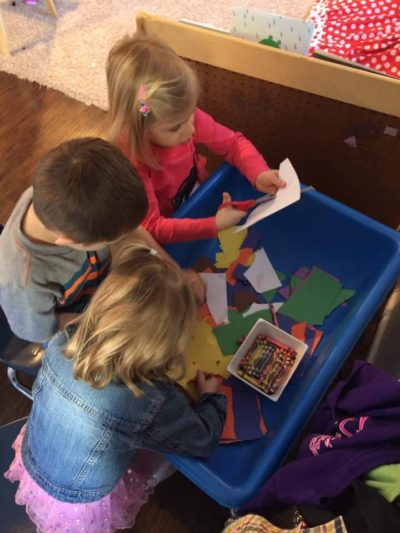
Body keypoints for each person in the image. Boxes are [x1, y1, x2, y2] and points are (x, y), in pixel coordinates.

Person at [5, 243, 226, 532]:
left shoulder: (64, 341)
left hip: (35, 457)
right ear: (168, 344)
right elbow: (201, 441)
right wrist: (211, 397)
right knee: (164, 460)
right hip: (79, 499)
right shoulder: (148, 399)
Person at [107, 33, 286, 245]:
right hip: (172, 224)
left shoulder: (184, 119)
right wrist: (214, 225)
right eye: (175, 128)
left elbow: (233, 143)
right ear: (141, 128)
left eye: (191, 112)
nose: (191, 129)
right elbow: (153, 227)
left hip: (196, 196)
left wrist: (259, 173)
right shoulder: (133, 161)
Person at [0, 137, 149, 343]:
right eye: (113, 240)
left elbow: (124, 225)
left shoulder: (55, 196)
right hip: (74, 325)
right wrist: (108, 319)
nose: (121, 240)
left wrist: (172, 266)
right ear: (69, 241)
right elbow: (39, 331)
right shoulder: (24, 282)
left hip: (100, 293)